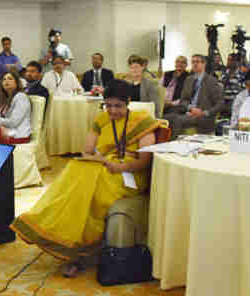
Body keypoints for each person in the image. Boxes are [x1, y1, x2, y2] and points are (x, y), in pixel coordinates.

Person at [10, 79, 160, 278]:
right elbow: (86, 152)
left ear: (129, 102)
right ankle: (62, 238)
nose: (113, 111)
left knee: (90, 191)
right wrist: (102, 160)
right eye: (108, 106)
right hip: (104, 167)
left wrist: (119, 165)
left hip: (129, 174)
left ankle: (77, 254)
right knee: (76, 172)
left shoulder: (142, 121)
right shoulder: (101, 120)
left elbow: (144, 162)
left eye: (118, 106)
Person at [163, 55, 224, 137]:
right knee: (165, 118)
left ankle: (175, 146)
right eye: (193, 62)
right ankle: (164, 145)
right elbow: (183, 100)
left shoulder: (211, 81)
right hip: (188, 111)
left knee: (178, 120)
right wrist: (190, 108)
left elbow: (220, 104)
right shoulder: (189, 79)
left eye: (197, 62)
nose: (195, 64)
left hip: (203, 115)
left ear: (204, 64)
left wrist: (205, 113)